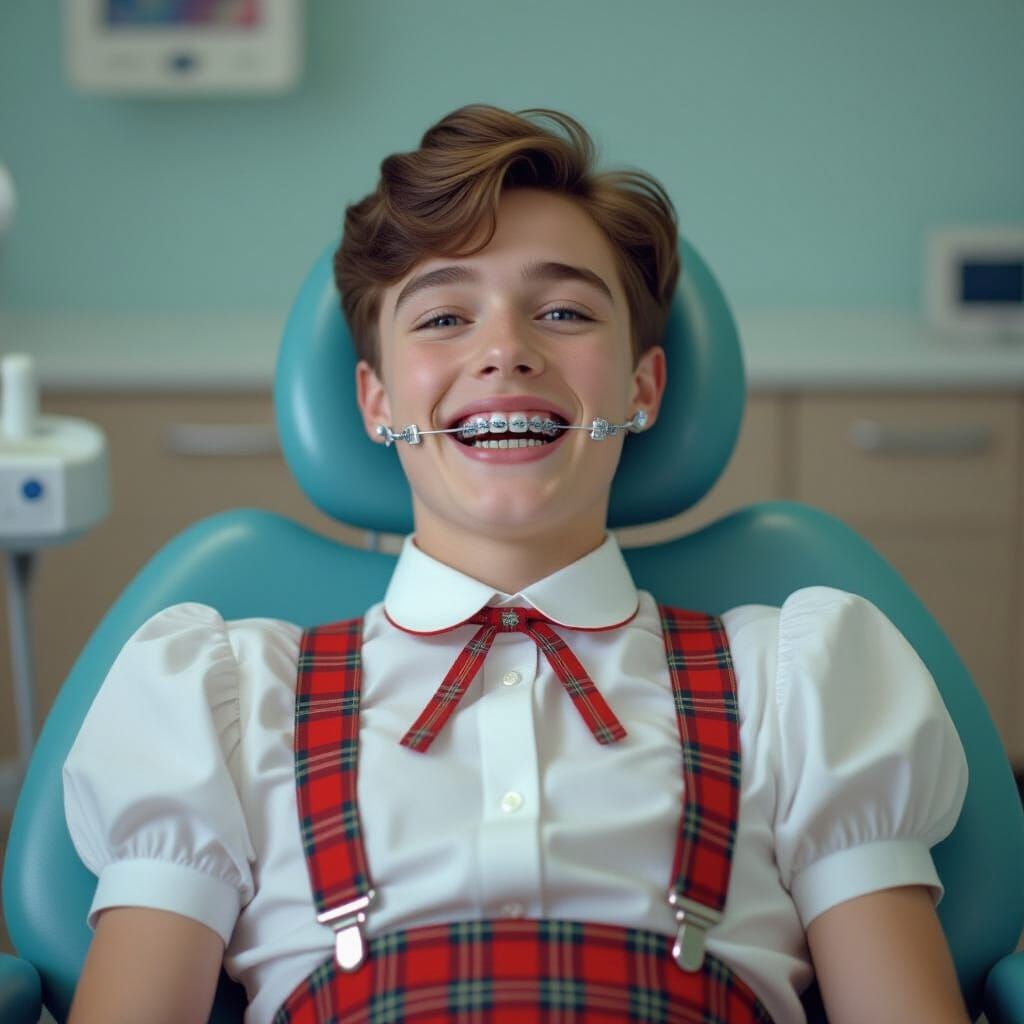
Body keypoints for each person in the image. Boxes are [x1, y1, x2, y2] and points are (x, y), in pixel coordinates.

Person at [63, 104, 970, 1024]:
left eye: (565, 311)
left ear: (642, 388)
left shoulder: (797, 684)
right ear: (376, 402)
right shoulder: (223, 698)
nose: (505, 351)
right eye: (446, 315)